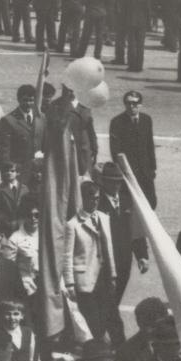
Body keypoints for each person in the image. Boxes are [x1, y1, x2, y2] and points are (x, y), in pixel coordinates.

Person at [96, 160, 149, 345]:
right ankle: (119, 344)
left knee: (114, 301)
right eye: (111, 181)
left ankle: (99, 333)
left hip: (124, 262)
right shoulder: (98, 202)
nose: (115, 185)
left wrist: (142, 256)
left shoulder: (127, 201)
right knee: (109, 303)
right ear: (103, 182)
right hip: (105, 264)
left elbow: (136, 231)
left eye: (118, 181)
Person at [62, 179, 117, 343]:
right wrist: (70, 283)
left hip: (103, 276)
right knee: (92, 318)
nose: (94, 202)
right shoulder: (73, 224)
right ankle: (96, 348)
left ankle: (102, 346)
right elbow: (67, 256)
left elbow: (110, 248)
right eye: (91, 198)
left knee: (105, 314)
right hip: (84, 278)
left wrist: (113, 274)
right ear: (83, 199)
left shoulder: (104, 218)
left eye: (97, 198)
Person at [108, 90, 157, 208]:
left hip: (145, 170)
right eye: (128, 103)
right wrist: (122, 170)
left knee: (150, 202)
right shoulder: (117, 122)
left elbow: (149, 144)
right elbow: (115, 150)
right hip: (128, 171)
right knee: (129, 203)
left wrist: (152, 167)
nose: (131, 106)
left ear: (140, 105)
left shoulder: (146, 120)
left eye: (135, 103)